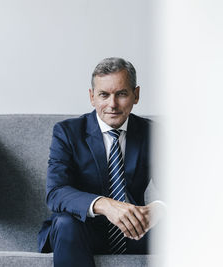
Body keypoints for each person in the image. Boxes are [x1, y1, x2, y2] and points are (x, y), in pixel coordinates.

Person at [37, 57, 164, 267]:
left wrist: (158, 209)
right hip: (83, 231)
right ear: (92, 97)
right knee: (65, 223)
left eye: (121, 94)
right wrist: (104, 205)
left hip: (135, 230)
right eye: (104, 95)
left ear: (136, 95)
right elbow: (56, 192)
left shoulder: (153, 133)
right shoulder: (68, 132)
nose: (112, 105)